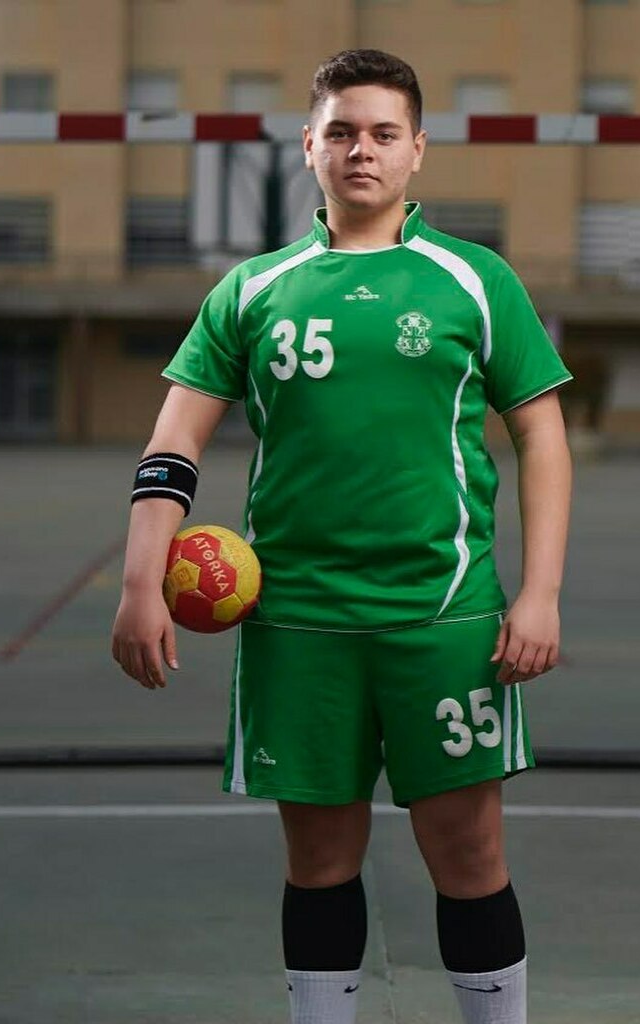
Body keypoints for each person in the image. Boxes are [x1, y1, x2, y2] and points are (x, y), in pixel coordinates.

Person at [112, 48, 573, 1024]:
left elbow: (542, 433)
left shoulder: (473, 279)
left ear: (417, 154)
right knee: (319, 862)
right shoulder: (254, 288)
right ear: (310, 147)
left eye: (384, 133)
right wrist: (139, 581)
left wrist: (539, 591)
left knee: (469, 854)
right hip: (298, 626)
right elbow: (171, 444)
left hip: (445, 620)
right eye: (343, 132)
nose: (362, 149)